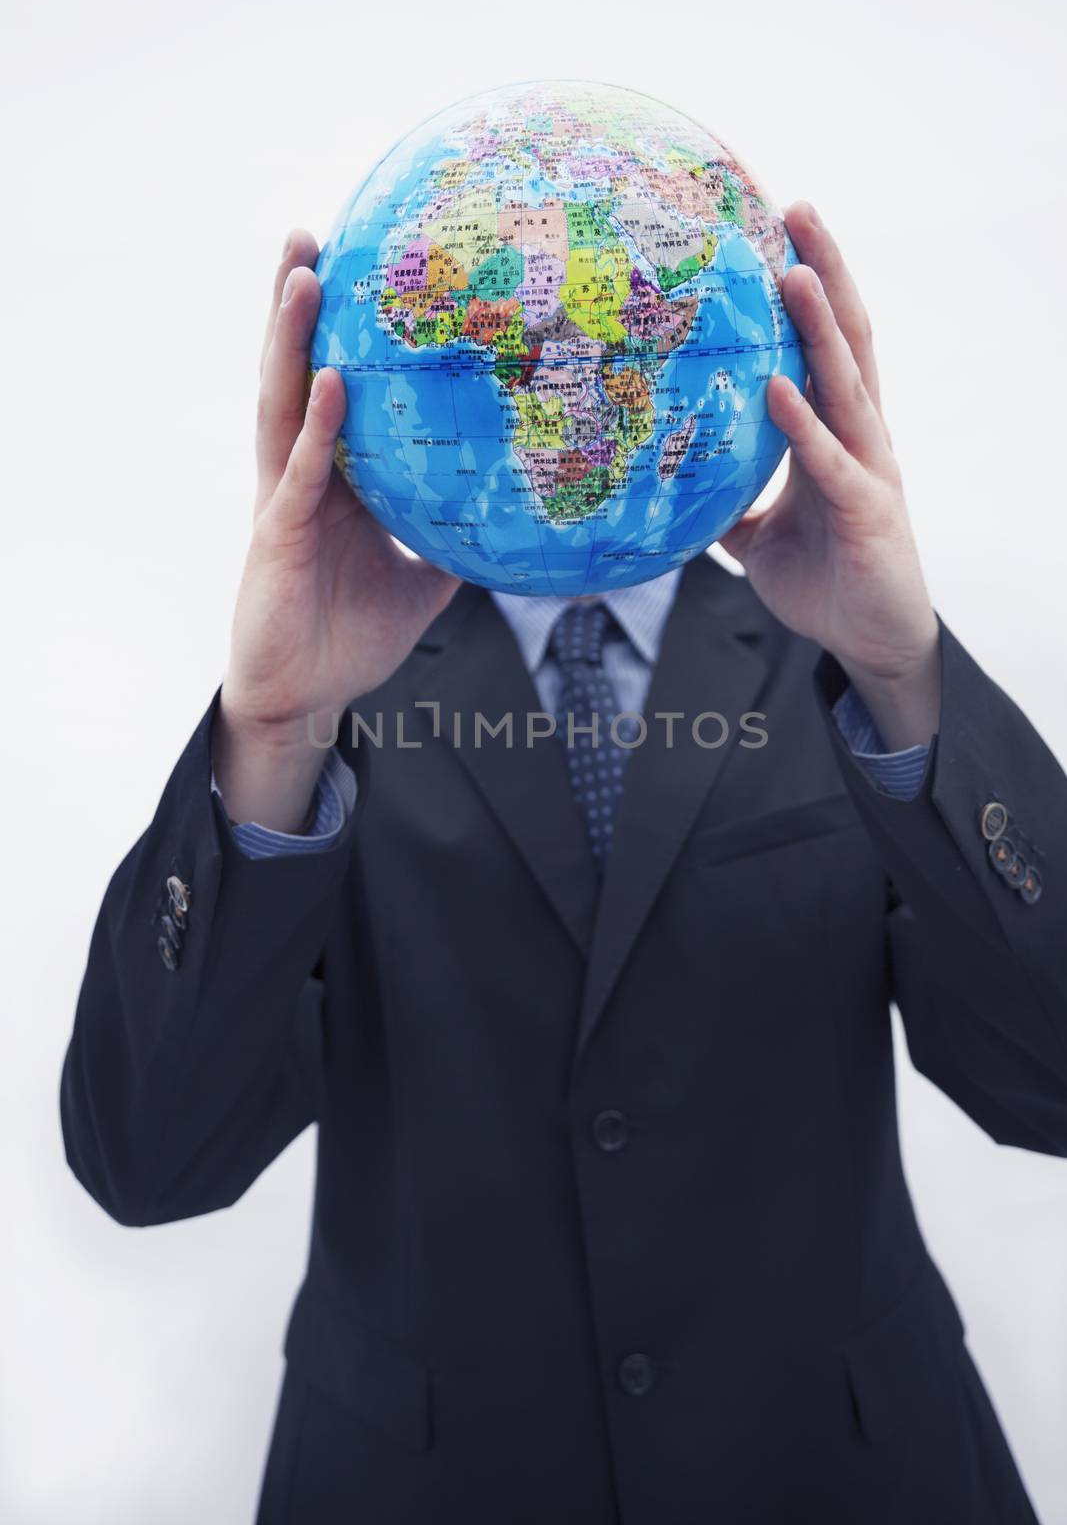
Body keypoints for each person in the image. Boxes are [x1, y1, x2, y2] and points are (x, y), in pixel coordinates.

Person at [61, 201, 1065, 1524]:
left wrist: (905, 667)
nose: (560, 361)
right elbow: (150, 1162)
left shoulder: (840, 658)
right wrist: (272, 728)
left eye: (601, 325)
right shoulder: (334, 695)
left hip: (844, 1473)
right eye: (508, 328)